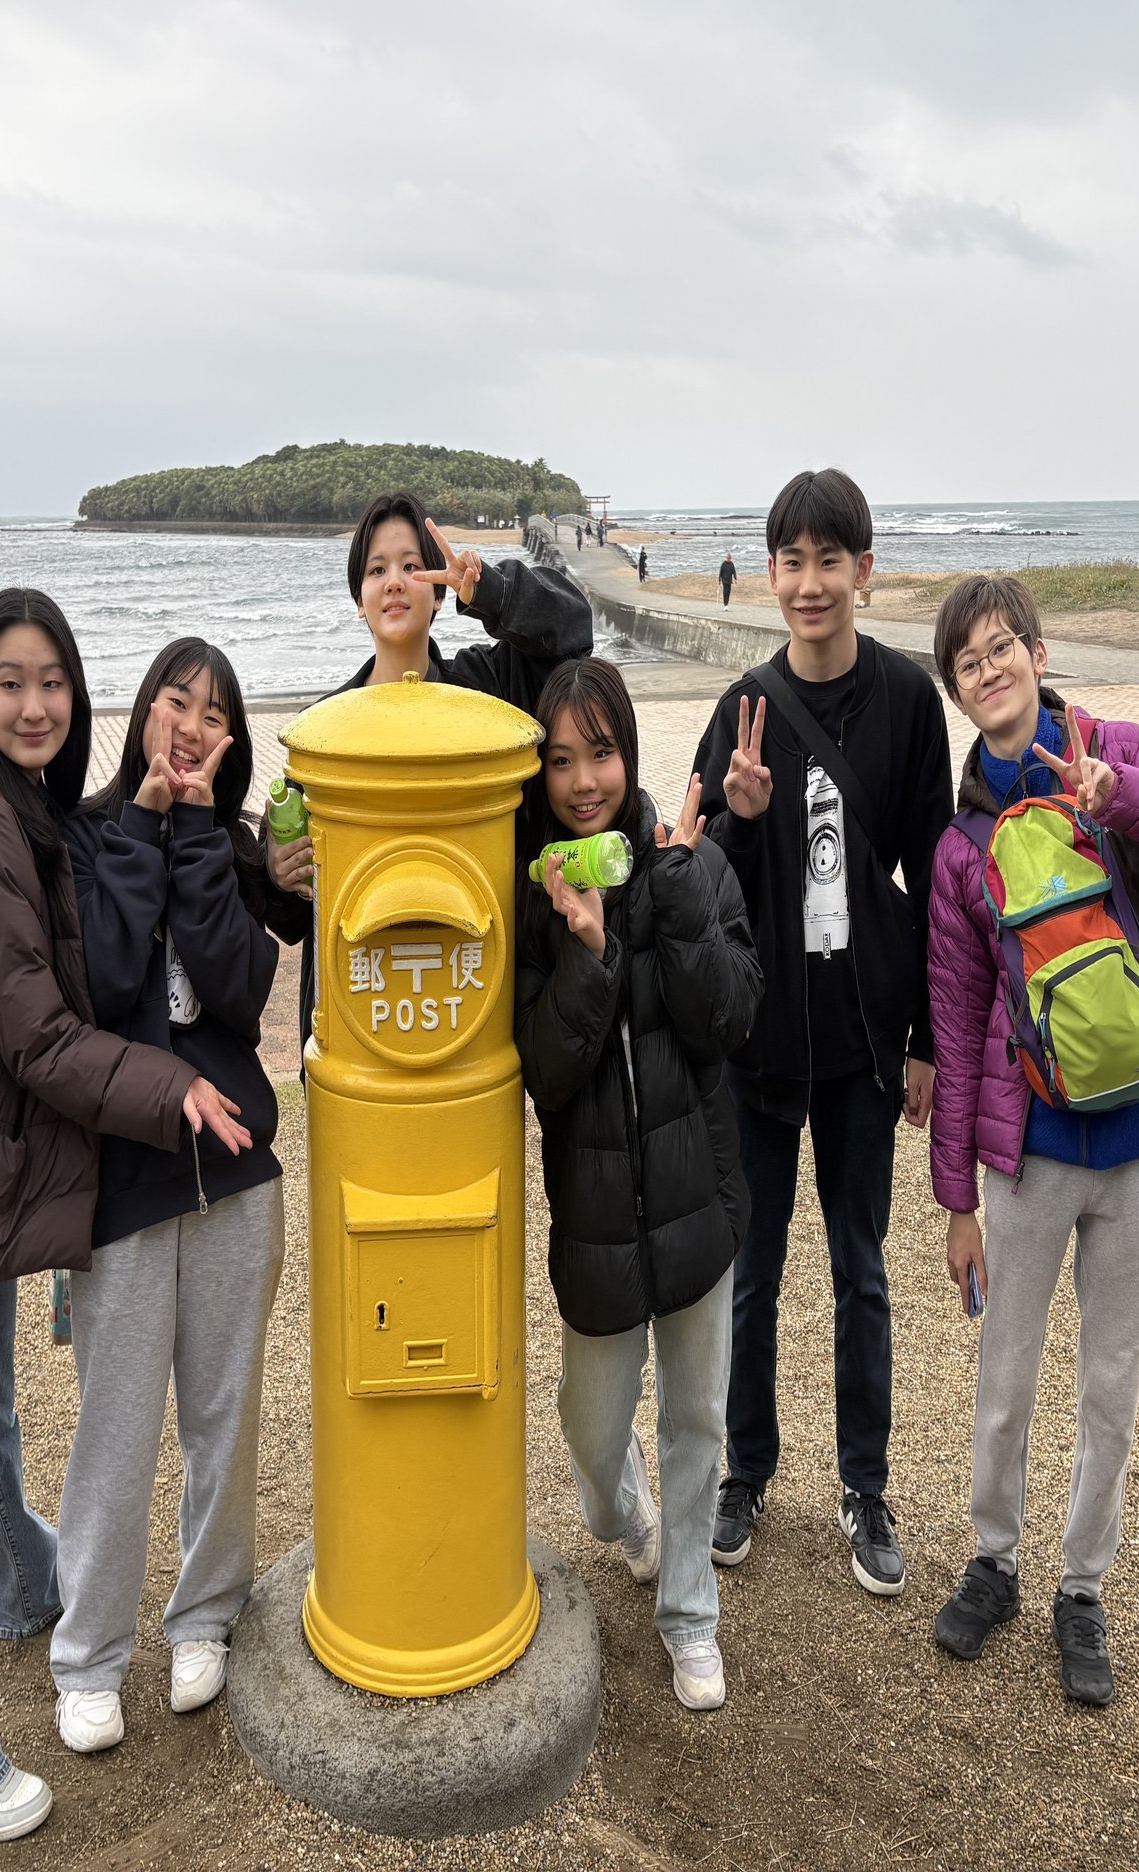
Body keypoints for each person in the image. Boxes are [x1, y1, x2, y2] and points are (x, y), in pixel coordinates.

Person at [0, 590, 250, 1843]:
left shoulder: (24, 812)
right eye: (10, 681)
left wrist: (232, 847)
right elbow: (40, 1032)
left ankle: (24, 1587)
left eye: (50, 681)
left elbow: (230, 960)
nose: (33, 704)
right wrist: (171, 1085)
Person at [925, 573, 1139, 1705]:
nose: (990, 669)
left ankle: (1082, 1586)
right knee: (1005, 1375)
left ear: (1037, 649)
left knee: (1112, 1380)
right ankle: (993, 1560)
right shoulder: (961, 847)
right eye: (968, 660)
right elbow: (956, 1022)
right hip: (1028, 1154)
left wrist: (1127, 800)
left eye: (1002, 646)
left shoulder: (1112, 751)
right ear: (957, 689)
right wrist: (957, 1202)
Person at [689, 469, 952, 1590]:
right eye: (790, 561)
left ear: (863, 570)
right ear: (768, 574)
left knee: (861, 1269)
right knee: (750, 1273)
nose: (809, 583)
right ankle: (745, 1470)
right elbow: (697, 884)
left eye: (827, 560)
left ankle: (863, 1484)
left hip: (862, 1041)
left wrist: (927, 1039)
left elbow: (938, 882)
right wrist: (743, 820)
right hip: (758, 1042)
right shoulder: (741, 710)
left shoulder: (905, 701)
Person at [50, 637, 306, 1754]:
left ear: (232, 739)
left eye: (213, 713)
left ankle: (205, 1613)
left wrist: (200, 835)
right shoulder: (85, 836)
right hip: (122, 1188)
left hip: (237, 1179)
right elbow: (102, 986)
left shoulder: (235, 849)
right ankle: (89, 1656)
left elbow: (239, 993)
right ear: (144, 711)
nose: (192, 726)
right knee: (114, 1431)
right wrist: (147, 826)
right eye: (175, 701)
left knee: (223, 1416)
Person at [514, 659, 761, 1711]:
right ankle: (625, 1517)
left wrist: (680, 892)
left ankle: (691, 1613)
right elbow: (545, 1071)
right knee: (591, 1426)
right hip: (597, 1222)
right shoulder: (533, 898)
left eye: (601, 753)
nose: (583, 781)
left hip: (698, 1201)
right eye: (561, 760)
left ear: (630, 753)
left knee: (697, 1422)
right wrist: (587, 950)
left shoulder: (688, 863)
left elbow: (731, 1016)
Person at [276, 488, 592, 1046]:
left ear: (440, 594)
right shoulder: (324, 731)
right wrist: (277, 869)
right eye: (377, 570)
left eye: (411, 566)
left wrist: (491, 593)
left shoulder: (485, 690)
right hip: (360, 1014)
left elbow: (572, 636)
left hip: (468, 995)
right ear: (359, 599)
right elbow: (294, 915)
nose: (395, 582)